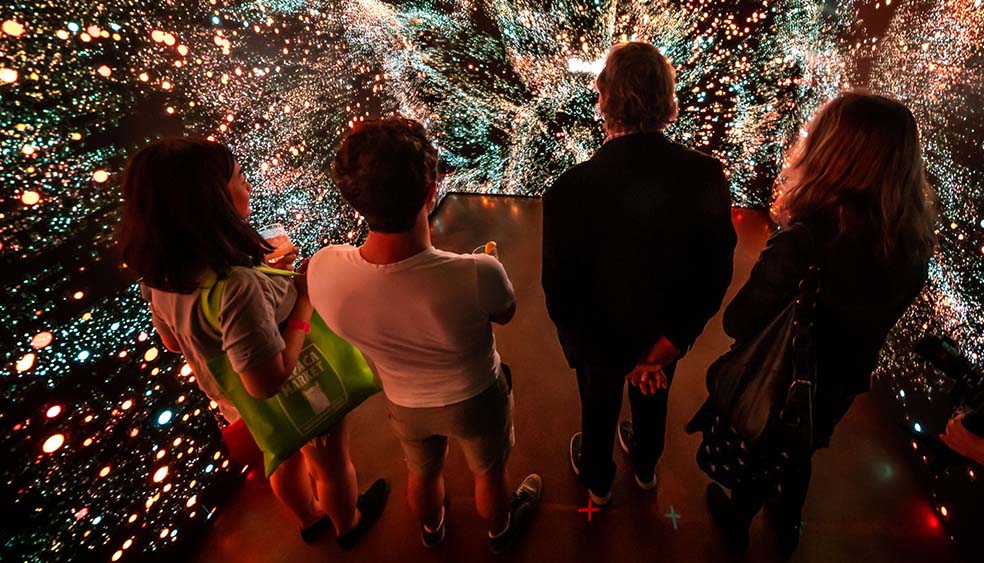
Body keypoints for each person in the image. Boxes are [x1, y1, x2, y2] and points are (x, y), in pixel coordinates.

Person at [687, 91, 937, 557]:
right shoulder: (912, 247)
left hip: (778, 381)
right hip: (840, 382)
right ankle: (787, 520)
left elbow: (740, 321)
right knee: (802, 448)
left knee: (761, 451)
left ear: (833, 154)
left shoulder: (806, 239)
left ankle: (737, 519)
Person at [120, 138, 388, 547]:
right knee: (330, 464)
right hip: (297, 390)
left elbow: (173, 344)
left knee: (281, 453)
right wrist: (302, 301)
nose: (248, 186)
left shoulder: (160, 278)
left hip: (234, 405)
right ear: (210, 202)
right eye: (239, 179)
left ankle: (309, 519)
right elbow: (267, 382)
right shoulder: (236, 286)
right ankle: (348, 523)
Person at [309, 118, 542, 553]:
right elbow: (506, 313)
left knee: (421, 472)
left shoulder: (324, 268)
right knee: (489, 472)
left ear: (355, 198)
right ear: (431, 190)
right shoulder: (477, 272)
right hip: (475, 396)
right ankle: (500, 532)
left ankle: (432, 530)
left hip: (403, 401)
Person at [542, 41, 737, 506]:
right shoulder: (706, 176)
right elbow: (716, 271)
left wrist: (618, 359)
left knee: (598, 403)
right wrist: (666, 347)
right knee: (655, 396)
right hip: (664, 340)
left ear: (604, 99)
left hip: (600, 345)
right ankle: (646, 468)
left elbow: (560, 293)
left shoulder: (571, 190)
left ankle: (598, 479)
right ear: (668, 100)